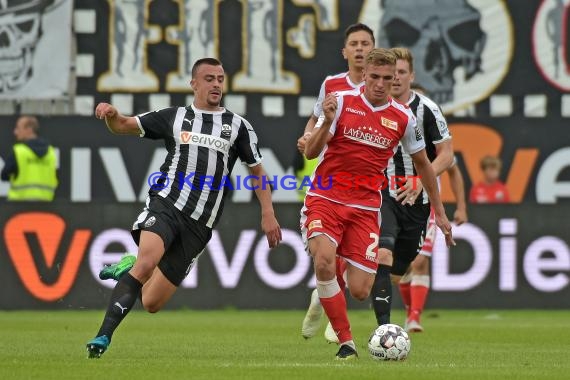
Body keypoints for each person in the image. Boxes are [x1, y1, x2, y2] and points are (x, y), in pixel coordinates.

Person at [85, 57, 282, 359]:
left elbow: (257, 172)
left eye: (220, 78)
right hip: (167, 203)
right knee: (147, 263)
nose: (216, 84)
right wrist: (112, 114)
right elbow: (123, 126)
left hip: (200, 224)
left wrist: (268, 213)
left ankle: (128, 265)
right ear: (194, 84)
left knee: (151, 302)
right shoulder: (173, 117)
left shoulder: (238, 126)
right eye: (209, 78)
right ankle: (102, 337)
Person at [300, 48, 454, 360]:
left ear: (397, 77)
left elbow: (424, 164)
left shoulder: (403, 117)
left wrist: (439, 211)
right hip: (326, 197)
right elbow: (311, 153)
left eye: (389, 77)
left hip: (366, 208)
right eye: (375, 77)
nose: (381, 83)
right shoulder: (342, 102)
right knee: (324, 260)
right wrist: (326, 122)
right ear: (365, 75)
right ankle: (347, 344)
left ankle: (324, 293)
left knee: (359, 290)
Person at [368, 47, 455, 331]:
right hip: (381, 193)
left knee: (399, 269)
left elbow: (447, 155)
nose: (395, 80)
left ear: (409, 75)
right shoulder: (369, 105)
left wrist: (421, 179)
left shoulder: (426, 109)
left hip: (418, 200)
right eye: (393, 74)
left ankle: (339, 284)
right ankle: (385, 329)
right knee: (383, 253)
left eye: (401, 73)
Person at [298, 22, 375, 340]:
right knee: (327, 254)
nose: (359, 48)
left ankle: (325, 294)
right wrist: (308, 134)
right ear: (345, 52)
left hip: (367, 188)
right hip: (330, 183)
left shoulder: (382, 89)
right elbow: (316, 117)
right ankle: (336, 319)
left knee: (358, 282)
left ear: (374, 49)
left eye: (365, 43)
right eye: (354, 43)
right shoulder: (332, 84)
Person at [397, 83, 468, 333]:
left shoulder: (436, 140)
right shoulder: (396, 126)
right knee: (402, 265)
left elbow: (454, 171)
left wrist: (460, 207)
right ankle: (409, 310)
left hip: (426, 203)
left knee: (420, 262)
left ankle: (414, 317)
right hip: (396, 198)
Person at [1, 116, 58, 201]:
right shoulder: (51, 152)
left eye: (18, 128)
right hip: (45, 206)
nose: (15, 132)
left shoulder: (19, 151)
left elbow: (4, 175)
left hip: (19, 207)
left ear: (29, 129)